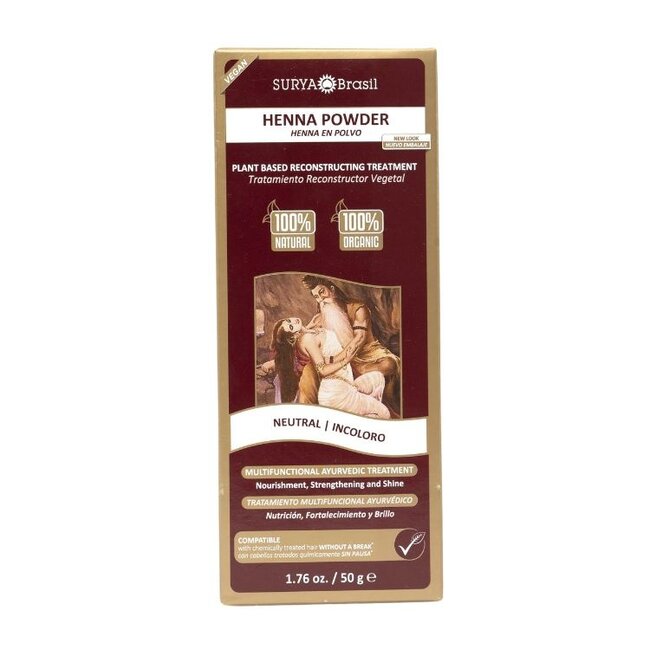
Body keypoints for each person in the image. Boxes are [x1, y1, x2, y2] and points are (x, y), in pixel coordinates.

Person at [300, 275, 401, 415]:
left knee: (389, 364)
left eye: (322, 292)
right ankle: (306, 414)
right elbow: (304, 344)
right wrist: (307, 328)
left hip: (367, 354)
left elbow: (359, 339)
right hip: (340, 360)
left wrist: (345, 361)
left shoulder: (358, 308)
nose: (321, 299)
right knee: (308, 372)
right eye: (316, 296)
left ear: (332, 289)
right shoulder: (319, 318)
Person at [271, 318, 390, 419]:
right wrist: (345, 360)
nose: (293, 321)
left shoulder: (308, 333)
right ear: (293, 337)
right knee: (384, 414)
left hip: (344, 384)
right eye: (291, 327)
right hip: (336, 393)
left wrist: (347, 353)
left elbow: (327, 359)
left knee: (378, 378)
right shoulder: (306, 339)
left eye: (288, 321)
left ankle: (361, 415)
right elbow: (322, 370)